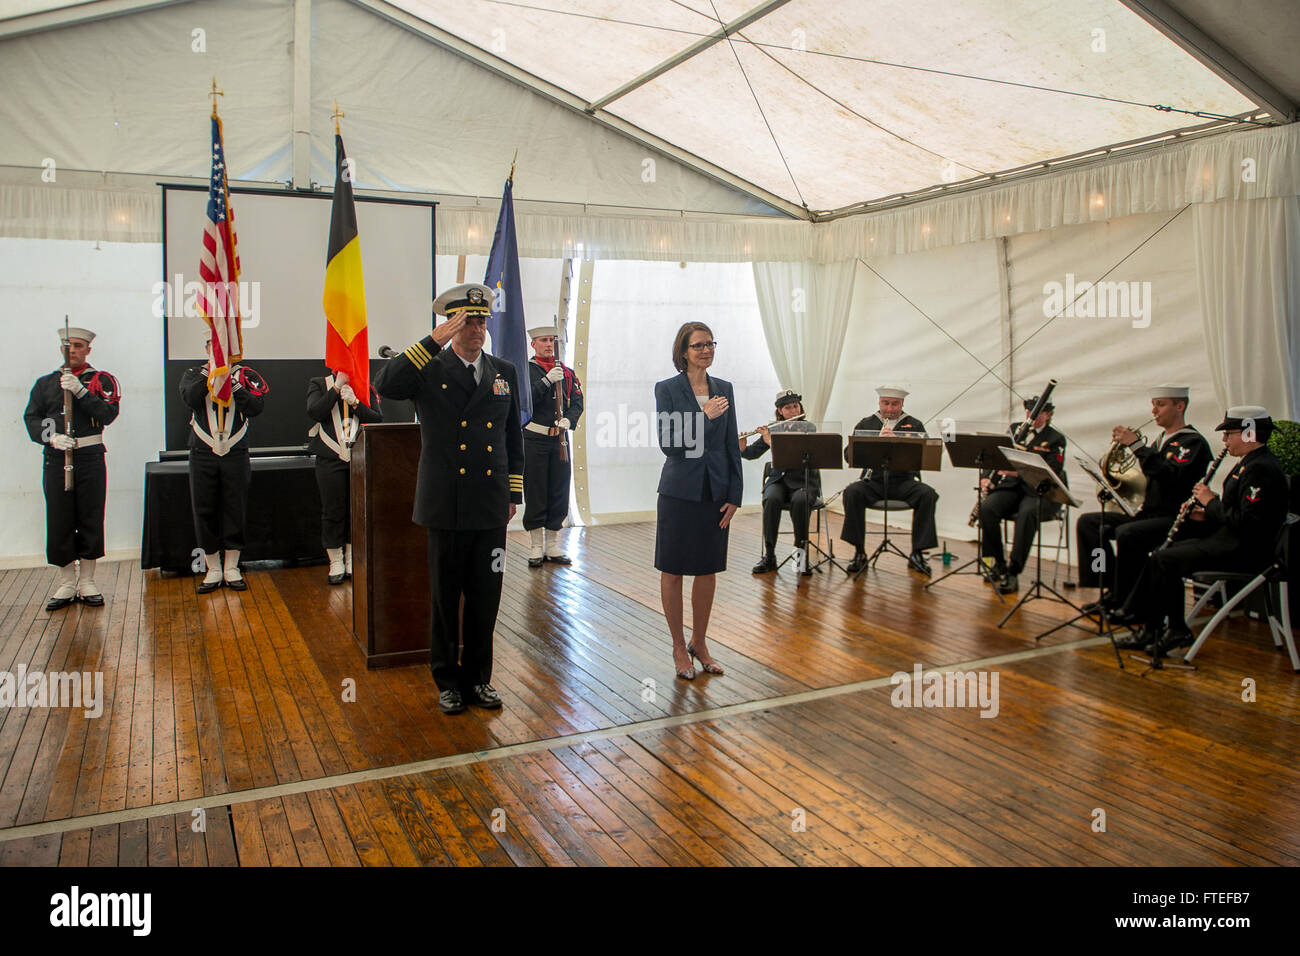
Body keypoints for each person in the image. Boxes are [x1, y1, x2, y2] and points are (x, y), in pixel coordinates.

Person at [373, 283, 524, 715]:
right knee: (444, 598)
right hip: (445, 501)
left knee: (486, 595)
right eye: (466, 321)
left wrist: (513, 491)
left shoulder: (503, 371)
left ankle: (479, 679)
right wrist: (432, 340)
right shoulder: (430, 367)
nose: (476, 329)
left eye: (481, 321)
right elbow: (387, 384)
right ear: (450, 325)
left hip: (491, 502)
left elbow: (511, 435)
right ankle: (448, 681)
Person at [1119, 406, 1287, 658]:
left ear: (1249, 434)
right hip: (1231, 540)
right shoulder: (1250, 463)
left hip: (1246, 552)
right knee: (1164, 554)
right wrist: (1206, 512)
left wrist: (1211, 502)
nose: (1224, 440)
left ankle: (1173, 629)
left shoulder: (1260, 468)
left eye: (1229, 433)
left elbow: (1248, 524)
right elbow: (1238, 511)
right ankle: (1154, 626)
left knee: (1165, 559)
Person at [1077, 385, 1211, 620]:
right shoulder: (1161, 440)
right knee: (1090, 525)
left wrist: (1137, 446)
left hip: (1173, 517)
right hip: (1149, 512)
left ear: (1180, 406)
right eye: (1153, 404)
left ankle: (1131, 605)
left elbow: (1169, 476)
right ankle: (1110, 588)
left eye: (1161, 404)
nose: (1154, 411)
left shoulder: (1193, 443)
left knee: (1129, 534)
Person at [654, 322, 741, 680]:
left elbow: (731, 444)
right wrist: (702, 417)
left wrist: (735, 494)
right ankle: (678, 645)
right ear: (683, 352)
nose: (706, 350)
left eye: (710, 344)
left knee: (707, 570)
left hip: (715, 492)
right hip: (679, 492)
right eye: (698, 346)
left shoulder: (725, 389)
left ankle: (699, 642)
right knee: (673, 571)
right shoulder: (668, 389)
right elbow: (669, 443)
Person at [23, 326, 121, 610]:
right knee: (59, 518)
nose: (73, 350)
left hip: (89, 457)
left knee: (90, 515)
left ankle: (88, 580)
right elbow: (31, 419)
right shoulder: (45, 384)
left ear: (88, 350)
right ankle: (67, 582)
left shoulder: (101, 380)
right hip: (56, 459)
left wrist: (80, 392)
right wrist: (51, 437)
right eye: (68, 345)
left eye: (79, 345)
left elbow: (108, 414)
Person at [180, 340, 268, 593]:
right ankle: (213, 568)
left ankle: (231, 566)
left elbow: (255, 407)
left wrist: (233, 380)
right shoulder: (193, 374)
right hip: (203, 451)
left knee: (234, 507)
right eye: (215, 345)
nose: (220, 350)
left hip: (235, 451)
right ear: (207, 348)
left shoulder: (245, 375)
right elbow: (190, 398)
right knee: (204, 508)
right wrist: (212, 373)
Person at [840, 385, 938, 576]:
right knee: (852, 493)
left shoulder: (914, 425)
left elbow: (925, 455)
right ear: (879, 403)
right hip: (874, 481)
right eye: (886, 403)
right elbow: (848, 455)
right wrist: (875, 441)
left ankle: (917, 553)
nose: (890, 408)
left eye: (895, 404)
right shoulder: (867, 424)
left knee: (928, 495)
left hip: (903, 480)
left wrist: (898, 444)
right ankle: (859, 551)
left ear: (902, 404)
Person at [978, 394, 1068, 594]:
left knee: (1027, 514)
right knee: (988, 508)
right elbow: (997, 455)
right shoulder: (1015, 429)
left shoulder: (1055, 439)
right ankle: (998, 563)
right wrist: (986, 476)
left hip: (1039, 492)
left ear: (1048, 414)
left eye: (1037, 412)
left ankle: (1013, 571)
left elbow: (1052, 471)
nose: (1031, 415)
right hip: (1012, 488)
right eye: (1029, 411)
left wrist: (1018, 471)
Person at [306, 368, 382, 584]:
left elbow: (377, 418)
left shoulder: (365, 386)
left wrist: (356, 402)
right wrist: (336, 388)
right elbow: (315, 412)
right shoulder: (318, 383)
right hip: (330, 457)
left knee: (355, 510)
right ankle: (335, 561)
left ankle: (351, 559)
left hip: (358, 458)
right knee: (333, 510)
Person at [522, 324, 583, 567]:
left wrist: (570, 419)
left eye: (552, 341)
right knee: (536, 489)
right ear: (533, 344)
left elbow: (577, 401)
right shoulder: (526, 371)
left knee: (558, 488)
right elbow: (526, 400)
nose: (548, 344)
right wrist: (546, 381)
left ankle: (552, 544)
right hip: (535, 437)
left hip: (559, 438)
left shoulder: (566, 373)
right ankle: (536, 546)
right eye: (544, 340)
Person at [742, 388, 818, 575]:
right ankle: (770, 556)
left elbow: (793, 454)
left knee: (800, 501)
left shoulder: (807, 427)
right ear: (780, 412)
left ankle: (801, 556)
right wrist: (742, 448)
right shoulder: (774, 428)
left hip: (803, 481)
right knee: (771, 499)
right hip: (779, 480)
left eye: (795, 406)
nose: (793, 411)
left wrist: (771, 441)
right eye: (788, 408)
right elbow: (752, 453)